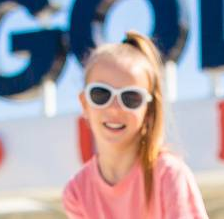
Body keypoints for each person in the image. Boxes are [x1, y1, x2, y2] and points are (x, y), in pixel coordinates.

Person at [63, 31, 208, 218]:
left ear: (148, 110)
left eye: (130, 98)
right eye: (101, 94)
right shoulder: (77, 192)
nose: (115, 108)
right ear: (84, 103)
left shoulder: (169, 175)